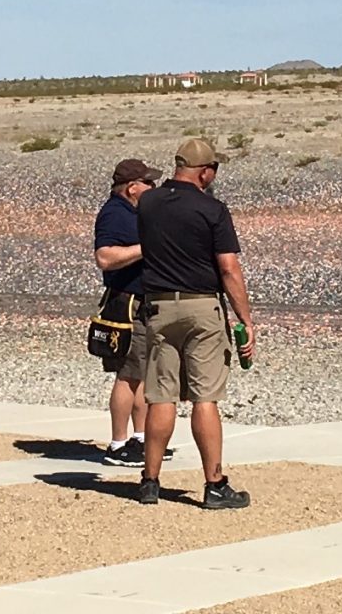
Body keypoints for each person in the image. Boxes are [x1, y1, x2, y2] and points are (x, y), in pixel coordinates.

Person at [136, 138, 255, 509]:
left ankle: (150, 480)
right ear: (205, 171)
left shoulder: (148, 204)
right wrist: (245, 319)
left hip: (158, 306)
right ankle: (214, 484)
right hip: (201, 306)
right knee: (205, 396)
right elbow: (229, 268)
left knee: (161, 396)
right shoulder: (212, 209)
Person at [93, 157, 162, 466]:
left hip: (142, 301)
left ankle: (140, 438)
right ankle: (118, 443)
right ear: (132, 187)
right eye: (149, 183)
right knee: (127, 375)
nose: (153, 187)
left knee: (143, 373)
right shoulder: (113, 214)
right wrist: (147, 248)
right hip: (127, 304)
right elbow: (105, 257)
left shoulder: (134, 212)